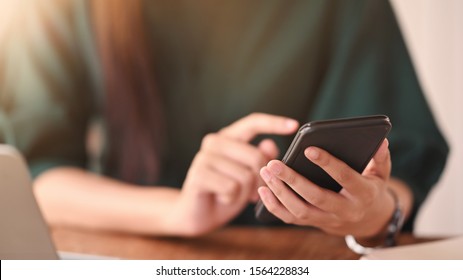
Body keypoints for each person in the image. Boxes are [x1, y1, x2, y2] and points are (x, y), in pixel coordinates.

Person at [0, 0, 448, 247]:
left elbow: (403, 170)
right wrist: (177, 212)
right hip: (123, 249)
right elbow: (34, 174)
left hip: (304, 258)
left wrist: (372, 215)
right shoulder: (56, 8)